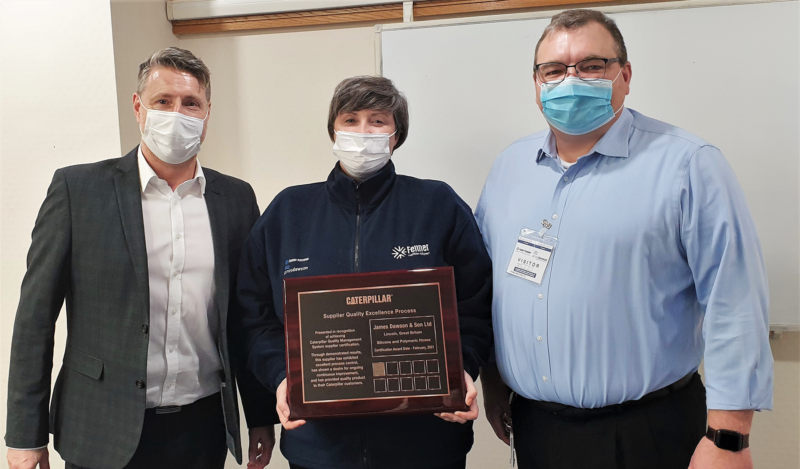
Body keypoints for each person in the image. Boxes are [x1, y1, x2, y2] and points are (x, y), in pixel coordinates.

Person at [475, 9, 772, 469]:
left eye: (591, 66)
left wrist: (729, 438)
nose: (570, 80)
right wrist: (494, 378)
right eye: (553, 70)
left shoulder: (688, 165)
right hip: (536, 428)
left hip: (647, 432)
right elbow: (489, 284)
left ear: (625, 75)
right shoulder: (508, 169)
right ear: (536, 83)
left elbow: (735, 302)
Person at [5, 47, 277, 469]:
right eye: (163, 101)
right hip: (100, 427)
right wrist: (25, 436)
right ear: (138, 107)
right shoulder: (79, 191)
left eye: (191, 103)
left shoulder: (236, 200)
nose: (177, 113)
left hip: (201, 429)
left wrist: (260, 415)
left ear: (207, 114)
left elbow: (245, 317)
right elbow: (34, 319)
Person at [235, 76, 493, 469]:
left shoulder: (437, 205)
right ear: (333, 130)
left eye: (377, 121)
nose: (363, 132)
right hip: (319, 448)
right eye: (350, 119)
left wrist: (463, 368)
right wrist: (281, 377)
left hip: (425, 445)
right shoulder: (288, 213)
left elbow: (477, 305)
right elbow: (255, 318)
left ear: (397, 134)